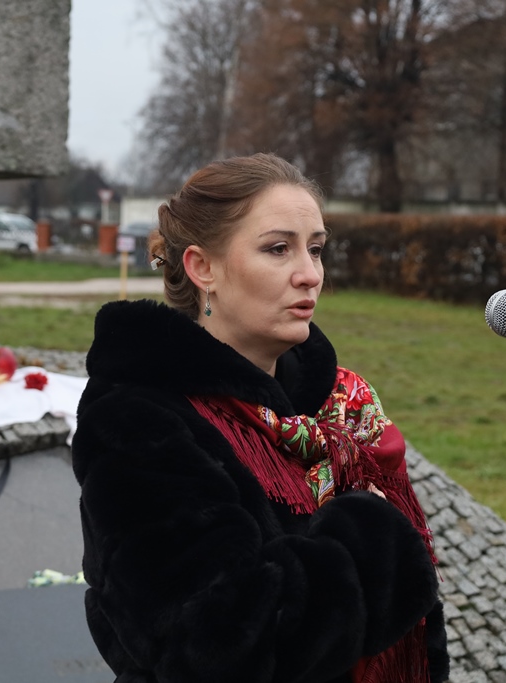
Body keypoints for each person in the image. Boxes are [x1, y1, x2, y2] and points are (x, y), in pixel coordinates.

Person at [72, 153, 449, 683]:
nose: (309, 274)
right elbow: (214, 643)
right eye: (279, 249)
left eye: (316, 249)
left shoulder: (339, 406)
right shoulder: (139, 418)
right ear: (203, 268)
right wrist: (372, 540)